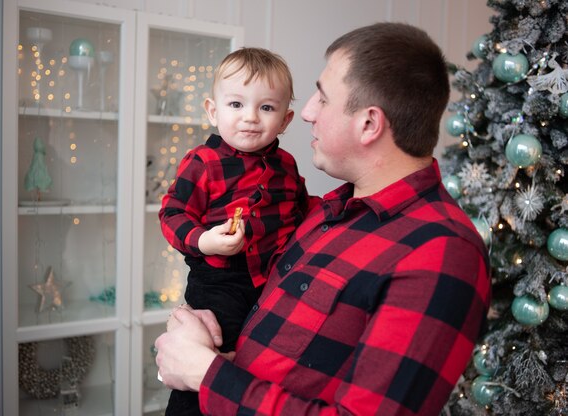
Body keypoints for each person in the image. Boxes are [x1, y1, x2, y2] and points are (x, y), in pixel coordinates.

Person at [155, 22, 491, 415]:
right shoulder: (325, 212)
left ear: (369, 123)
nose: (307, 113)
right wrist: (194, 349)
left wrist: (204, 373)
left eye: (323, 98)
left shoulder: (440, 252)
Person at [158, 47, 312, 415]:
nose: (251, 119)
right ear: (214, 110)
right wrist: (204, 240)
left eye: (267, 108)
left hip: (272, 281)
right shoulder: (204, 162)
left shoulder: (286, 165)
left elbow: (301, 211)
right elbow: (172, 213)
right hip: (219, 281)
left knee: (256, 361)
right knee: (208, 354)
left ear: (286, 119)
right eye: (237, 105)